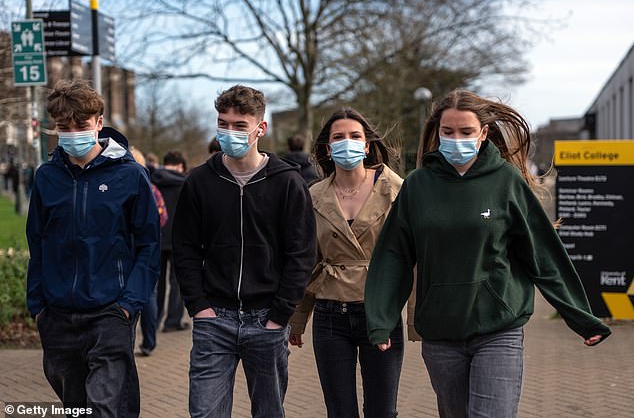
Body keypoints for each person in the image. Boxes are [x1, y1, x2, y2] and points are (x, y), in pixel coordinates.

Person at [364, 89, 612, 418]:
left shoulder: (505, 181)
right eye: (448, 131)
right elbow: (393, 255)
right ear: (437, 132)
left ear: (482, 133)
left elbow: (541, 252)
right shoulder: (418, 186)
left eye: (466, 132)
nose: (456, 139)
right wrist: (380, 320)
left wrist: (581, 316)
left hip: (499, 328)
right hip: (441, 332)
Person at [172, 84, 317, 418]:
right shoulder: (199, 181)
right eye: (223, 123)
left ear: (260, 129)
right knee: (205, 413)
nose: (229, 131)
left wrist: (280, 314)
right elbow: (186, 249)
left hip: (266, 319)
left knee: (268, 412)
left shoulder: (287, 183)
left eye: (239, 125)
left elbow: (302, 254)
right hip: (214, 320)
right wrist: (198, 306)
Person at [26, 79, 160, 417]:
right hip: (57, 315)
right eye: (63, 127)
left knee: (105, 405)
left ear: (99, 123)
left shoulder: (130, 175)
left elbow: (148, 246)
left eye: (81, 125)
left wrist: (129, 304)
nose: (72, 133)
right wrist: (38, 304)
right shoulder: (46, 177)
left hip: (110, 312)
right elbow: (37, 243)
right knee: (76, 408)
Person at [288, 108, 413, 418]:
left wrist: (415, 320)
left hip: (379, 313)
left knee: (382, 411)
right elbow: (308, 259)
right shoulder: (314, 195)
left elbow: (411, 257)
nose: (348, 143)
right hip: (331, 315)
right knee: (339, 411)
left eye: (355, 136)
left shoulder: (396, 189)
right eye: (339, 137)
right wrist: (298, 318)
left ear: (367, 145)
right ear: (328, 148)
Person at [129, 146, 168, 356]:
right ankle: (149, 342)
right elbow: (162, 217)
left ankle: (126, 341)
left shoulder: (123, 185)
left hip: (126, 249)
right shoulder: (152, 189)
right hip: (149, 247)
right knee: (149, 296)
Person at [152, 150, 189, 332]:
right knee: (177, 281)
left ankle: (155, 318)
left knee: (157, 283)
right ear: (180, 165)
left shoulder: (151, 180)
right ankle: (173, 321)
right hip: (179, 239)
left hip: (156, 238)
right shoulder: (185, 184)